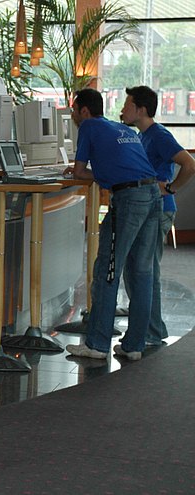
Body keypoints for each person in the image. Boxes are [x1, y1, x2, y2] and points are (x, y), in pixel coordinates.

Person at [64, 88, 162, 361]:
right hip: (153, 195)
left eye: (73, 110)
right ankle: (134, 346)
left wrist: (89, 174)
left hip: (129, 199)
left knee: (107, 270)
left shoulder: (89, 127)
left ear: (84, 111)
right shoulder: (122, 128)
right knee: (141, 274)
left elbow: (82, 171)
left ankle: (96, 344)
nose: (72, 115)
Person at [119, 86, 195, 346]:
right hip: (149, 208)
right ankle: (153, 328)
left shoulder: (158, 134)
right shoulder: (143, 135)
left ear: (141, 110)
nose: (122, 109)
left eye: (127, 105)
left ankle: (150, 332)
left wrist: (171, 188)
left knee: (144, 272)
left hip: (160, 209)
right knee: (140, 271)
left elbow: (189, 164)